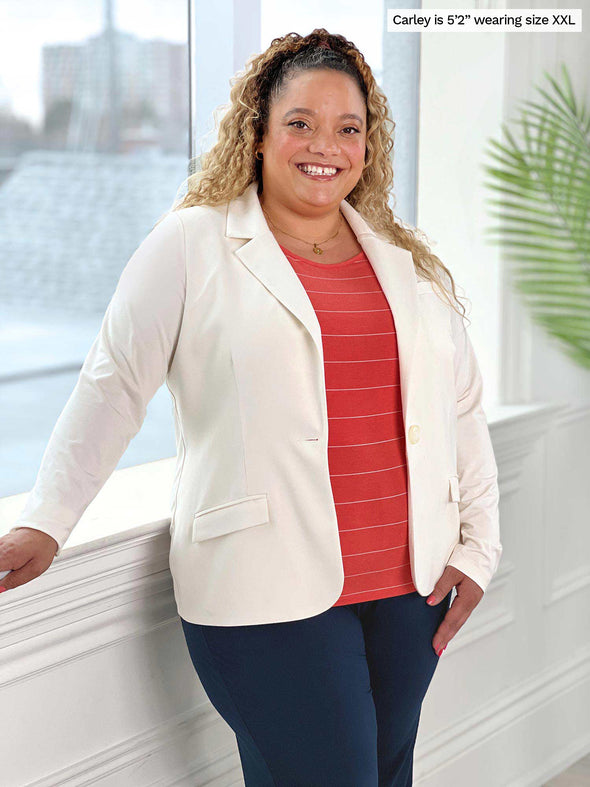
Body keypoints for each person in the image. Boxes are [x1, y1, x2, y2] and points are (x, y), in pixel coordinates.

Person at [0, 28, 502, 787]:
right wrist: (47, 517)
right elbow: (112, 384)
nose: (322, 144)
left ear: (368, 146)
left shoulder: (405, 264)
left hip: (410, 589)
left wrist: (480, 547)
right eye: (299, 121)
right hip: (267, 594)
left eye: (347, 127)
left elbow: (462, 408)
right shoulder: (191, 244)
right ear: (259, 132)